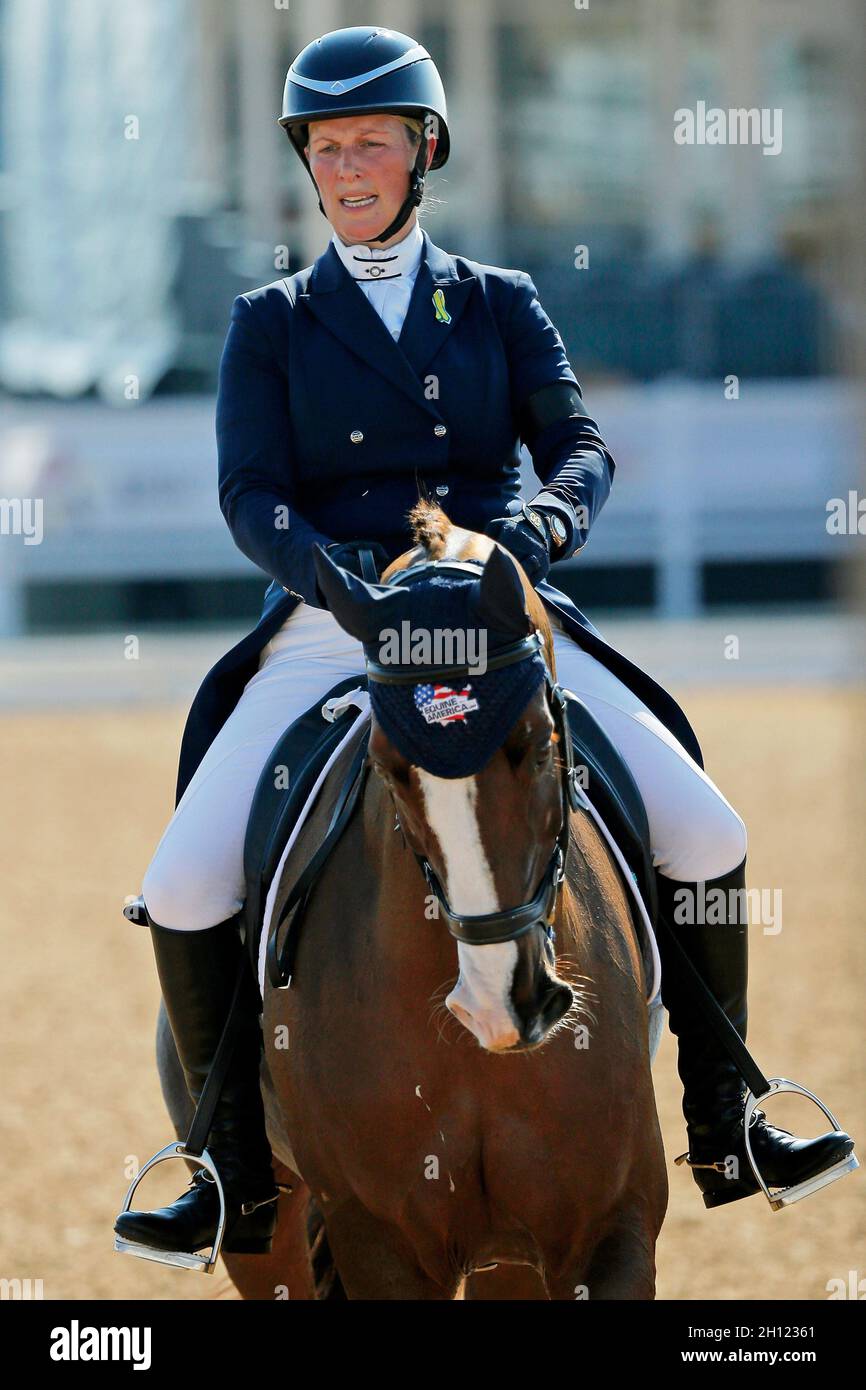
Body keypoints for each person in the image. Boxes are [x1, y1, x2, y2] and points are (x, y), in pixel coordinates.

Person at [114, 26, 853, 1259]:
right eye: (327, 147)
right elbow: (252, 495)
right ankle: (225, 1167)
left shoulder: (499, 301)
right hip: (334, 628)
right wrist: (343, 585)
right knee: (188, 879)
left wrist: (532, 533)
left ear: (425, 151)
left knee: (706, 828)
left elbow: (578, 444)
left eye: (372, 144)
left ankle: (728, 1116)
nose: (347, 169)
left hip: (498, 610)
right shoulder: (271, 321)